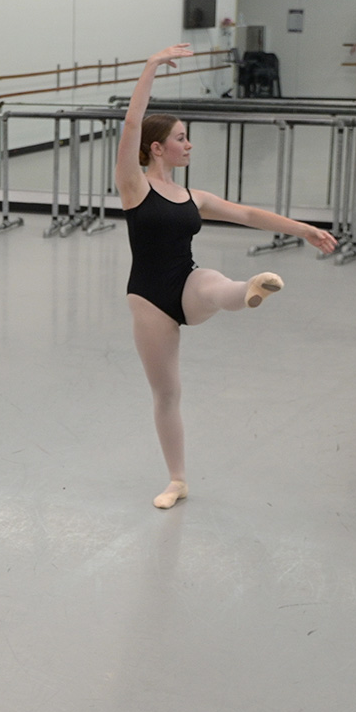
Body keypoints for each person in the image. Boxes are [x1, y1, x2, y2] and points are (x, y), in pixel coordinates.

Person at [116, 44, 338, 510]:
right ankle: (177, 479)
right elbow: (131, 124)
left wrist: (304, 230)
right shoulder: (135, 186)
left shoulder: (193, 195)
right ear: (157, 148)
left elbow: (249, 214)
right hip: (149, 300)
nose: (188, 143)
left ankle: (250, 289)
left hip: (188, 283)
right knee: (167, 393)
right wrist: (151, 67)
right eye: (181, 137)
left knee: (215, 285)